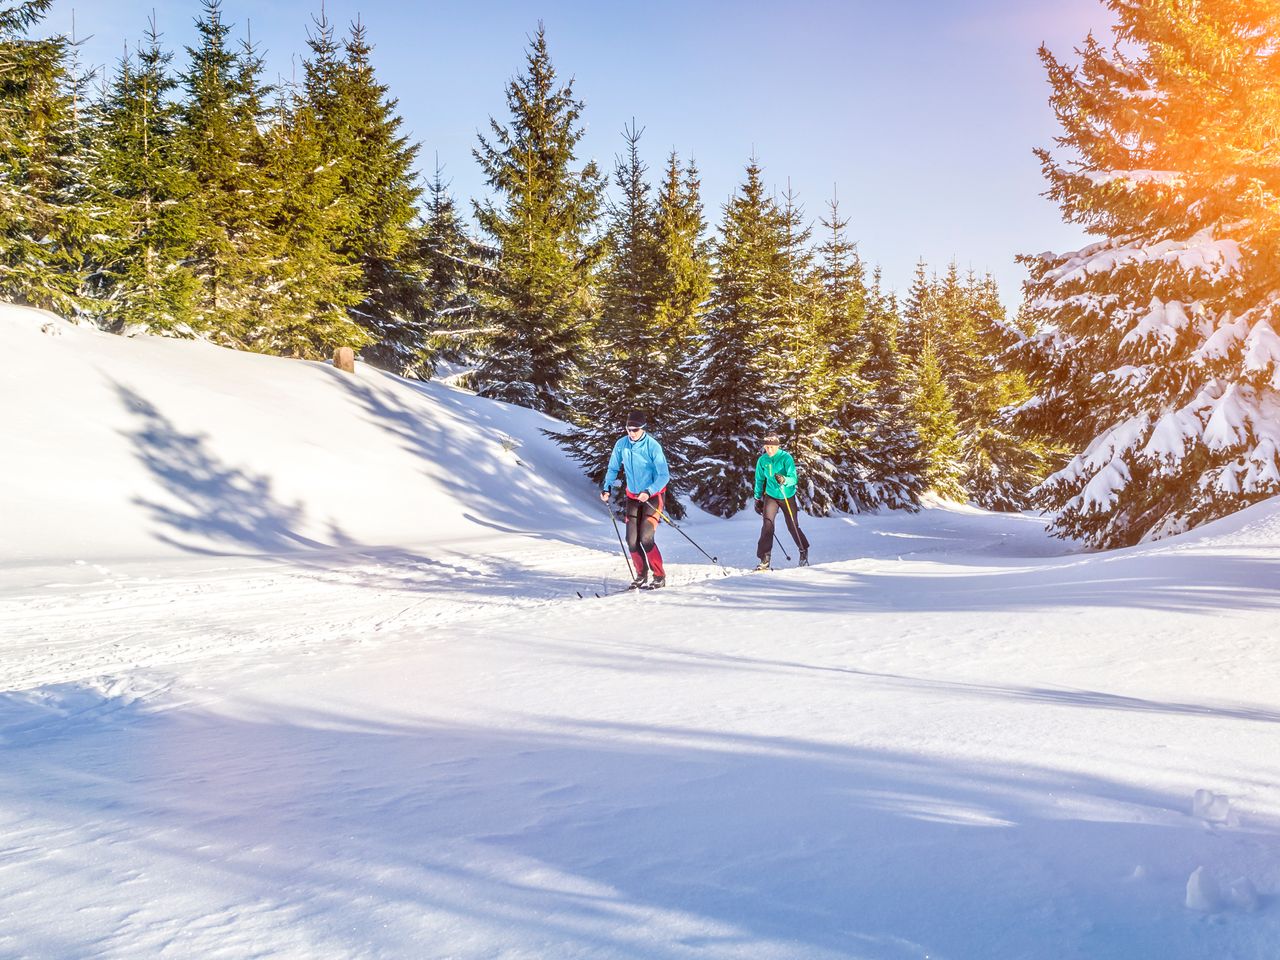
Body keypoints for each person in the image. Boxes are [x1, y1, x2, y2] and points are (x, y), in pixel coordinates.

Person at [601, 411, 671, 589]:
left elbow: (664, 475)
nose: (631, 433)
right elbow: (613, 467)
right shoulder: (621, 444)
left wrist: (649, 490)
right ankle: (641, 575)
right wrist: (606, 487)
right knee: (632, 540)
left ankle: (659, 576)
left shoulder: (652, 446)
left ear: (643, 428)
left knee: (646, 537)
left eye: (635, 429)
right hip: (632, 496)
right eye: (628, 429)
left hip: (652, 497)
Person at [753, 432, 810, 570]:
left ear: (777, 446)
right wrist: (757, 497)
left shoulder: (786, 458)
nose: (769, 450)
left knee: (792, 526)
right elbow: (759, 479)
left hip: (786, 495)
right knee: (767, 526)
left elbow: (793, 479)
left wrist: (784, 480)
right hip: (771, 496)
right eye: (766, 447)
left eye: (771, 447)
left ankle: (803, 550)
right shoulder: (763, 460)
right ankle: (764, 559)